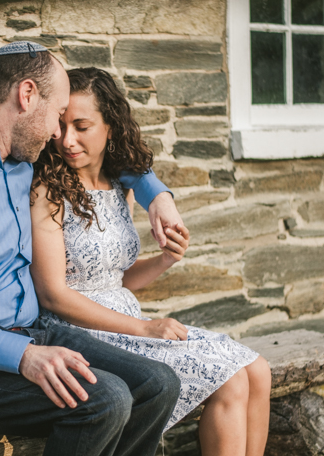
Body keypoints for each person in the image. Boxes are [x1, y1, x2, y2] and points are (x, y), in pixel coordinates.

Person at [0, 42, 186, 456]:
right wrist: (22, 355)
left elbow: (114, 151)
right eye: (57, 115)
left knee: (158, 383)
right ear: (27, 95)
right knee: (105, 400)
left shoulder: (22, 161)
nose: (58, 134)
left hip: (34, 330)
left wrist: (159, 196)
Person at [29, 67, 272, 456]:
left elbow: (116, 278)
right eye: (61, 126)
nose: (67, 140)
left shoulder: (118, 185)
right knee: (231, 382)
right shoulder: (48, 191)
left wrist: (164, 260)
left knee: (257, 370)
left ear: (111, 127)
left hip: (128, 318)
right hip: (80, 329)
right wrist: (143, 327)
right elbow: (53, 295)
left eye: (82, 126)